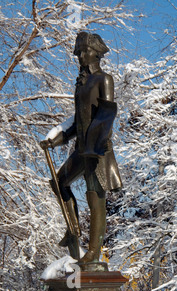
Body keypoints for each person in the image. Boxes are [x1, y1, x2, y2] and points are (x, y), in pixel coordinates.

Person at [40, 32, 122, 267]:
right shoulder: (81, 84)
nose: (81, 56)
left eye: (86, 51)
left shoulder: (103, 79)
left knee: (95, 198)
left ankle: (93, 254)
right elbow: (79, 121)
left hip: (97, 151)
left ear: (97, 53)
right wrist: (55, 140)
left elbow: (107, 114)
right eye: (79, 52)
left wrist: (98, 140)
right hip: (82, 149)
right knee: (58, 182)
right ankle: (73, 230)